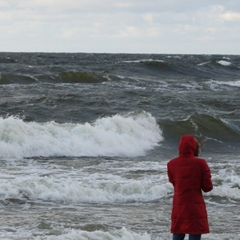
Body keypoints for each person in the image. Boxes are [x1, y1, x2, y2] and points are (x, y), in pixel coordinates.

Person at [167, 135, 213, 240]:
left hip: (179, 205)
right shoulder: (201, 163)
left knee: (178, 233)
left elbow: (174, 183)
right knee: (194, 232)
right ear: (195, 147)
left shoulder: (171, 164)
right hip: (194, 206)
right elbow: (207, 187)